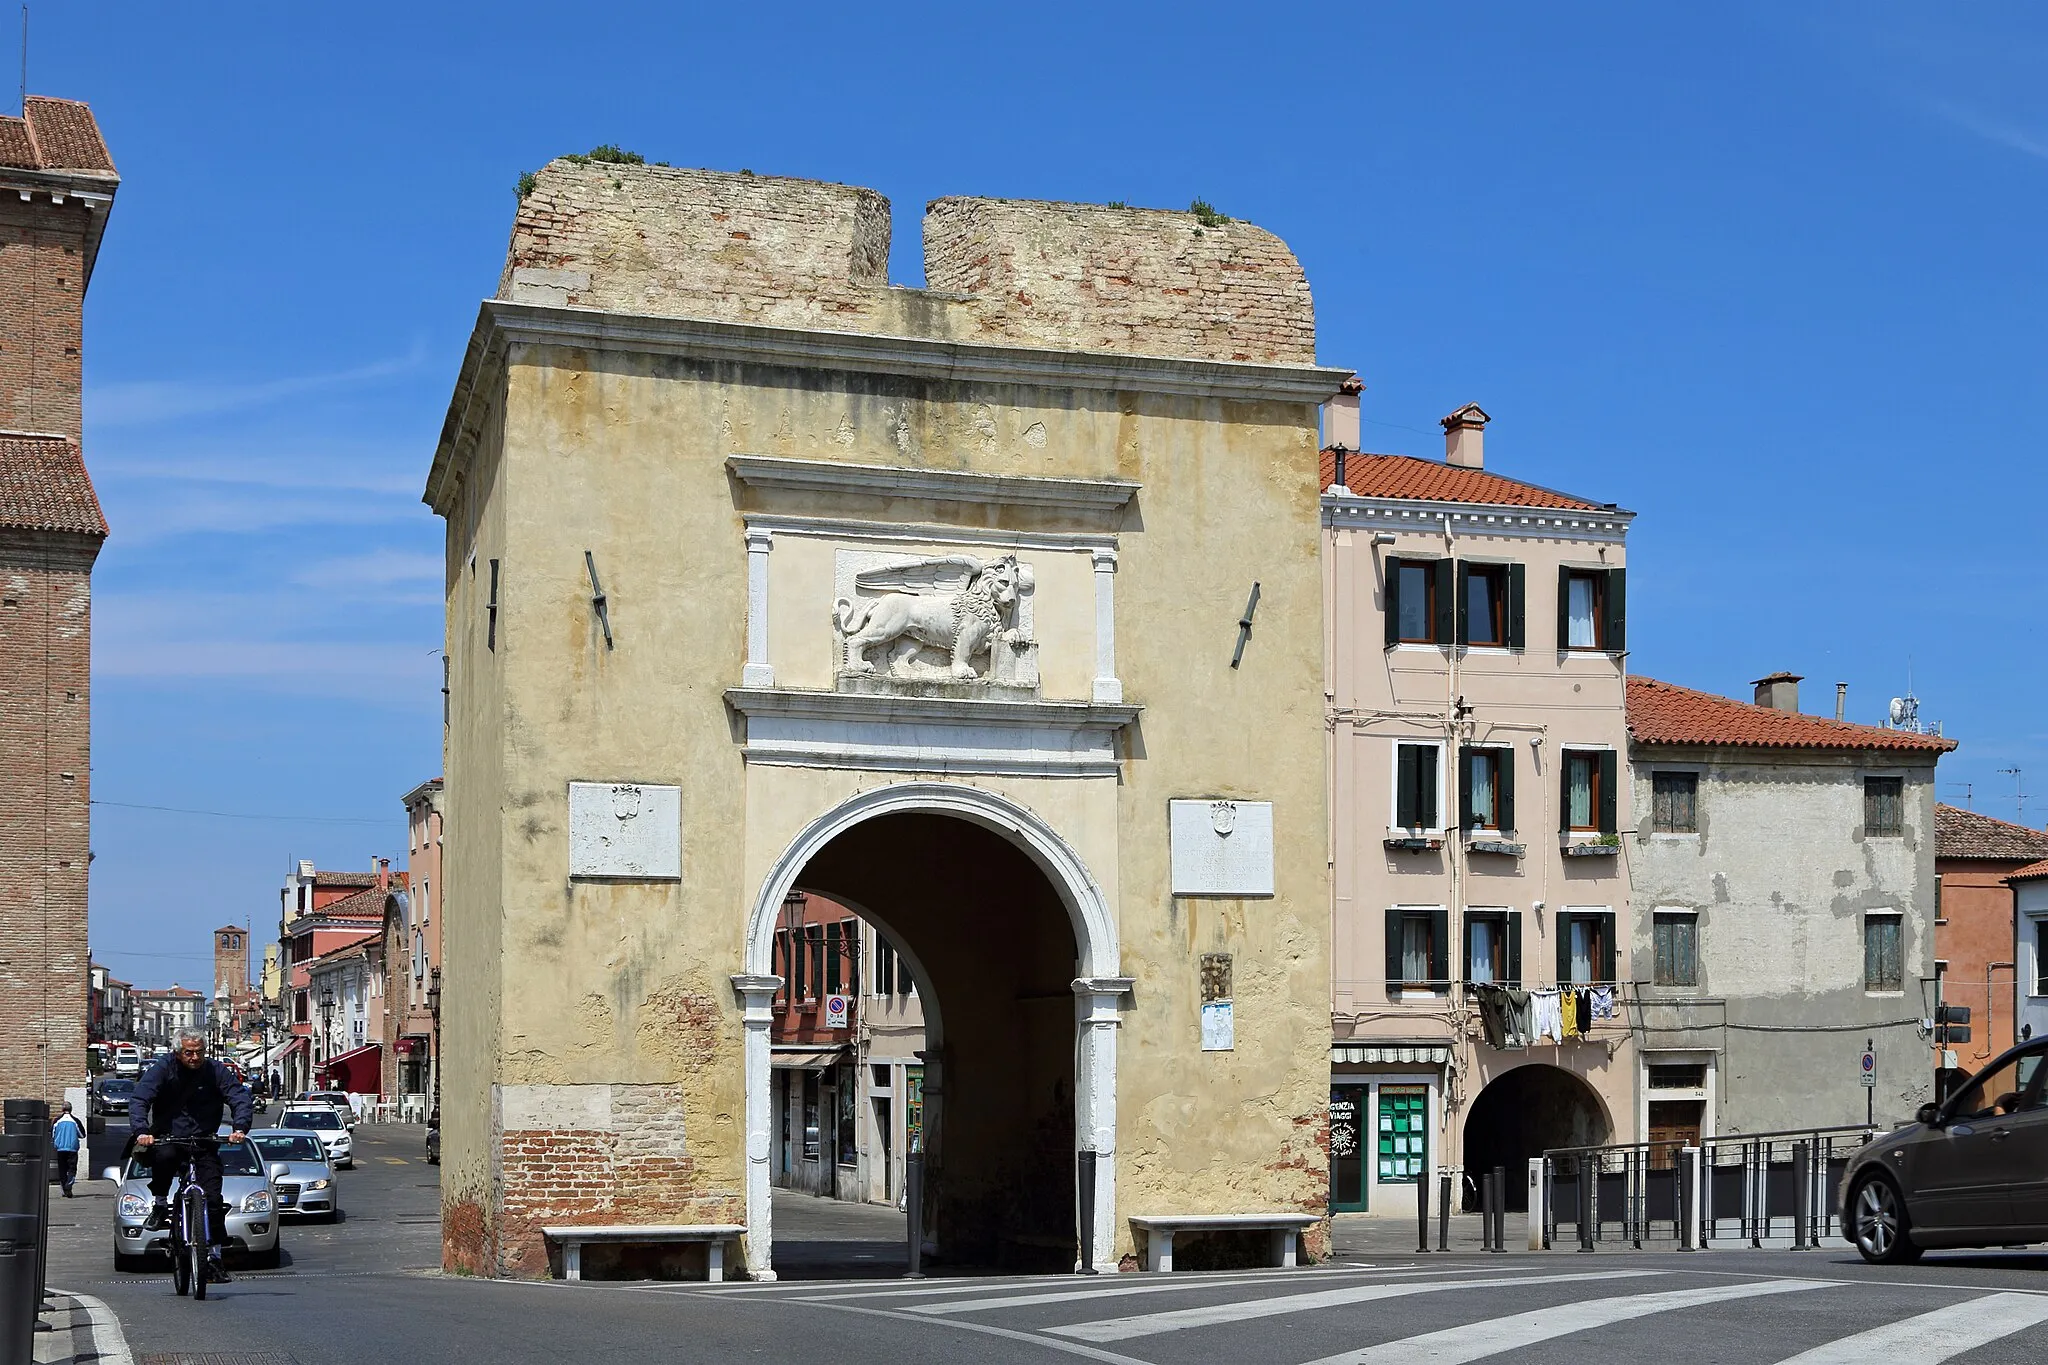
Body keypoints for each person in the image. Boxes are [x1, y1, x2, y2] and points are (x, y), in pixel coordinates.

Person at [129, 1028, 253, 1284]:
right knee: (164, 1157)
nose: (194, 1057)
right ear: (178, 1052)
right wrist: (142, 1130)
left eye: (199, 1052)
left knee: (215, 1199)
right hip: (170, 1136)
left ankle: (215, 1257)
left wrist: (240, 1127)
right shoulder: (163, 1069)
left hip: (204, 1140)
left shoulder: (215, 1070)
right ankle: (161, 1202)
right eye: (189, 1052)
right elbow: (140, 1099)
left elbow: (239, 1097)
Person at [50, 1103, 84, 1197]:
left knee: (62, 1169)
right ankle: (69, 1183)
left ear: (62, 1109)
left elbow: (52, 1134)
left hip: (60, 1148)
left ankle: (65, 1189)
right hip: (72, 1148)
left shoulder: (57, 1121)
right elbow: (82, 1134)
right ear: (71, 1109)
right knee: (72, 1168)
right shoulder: (75, 1120)